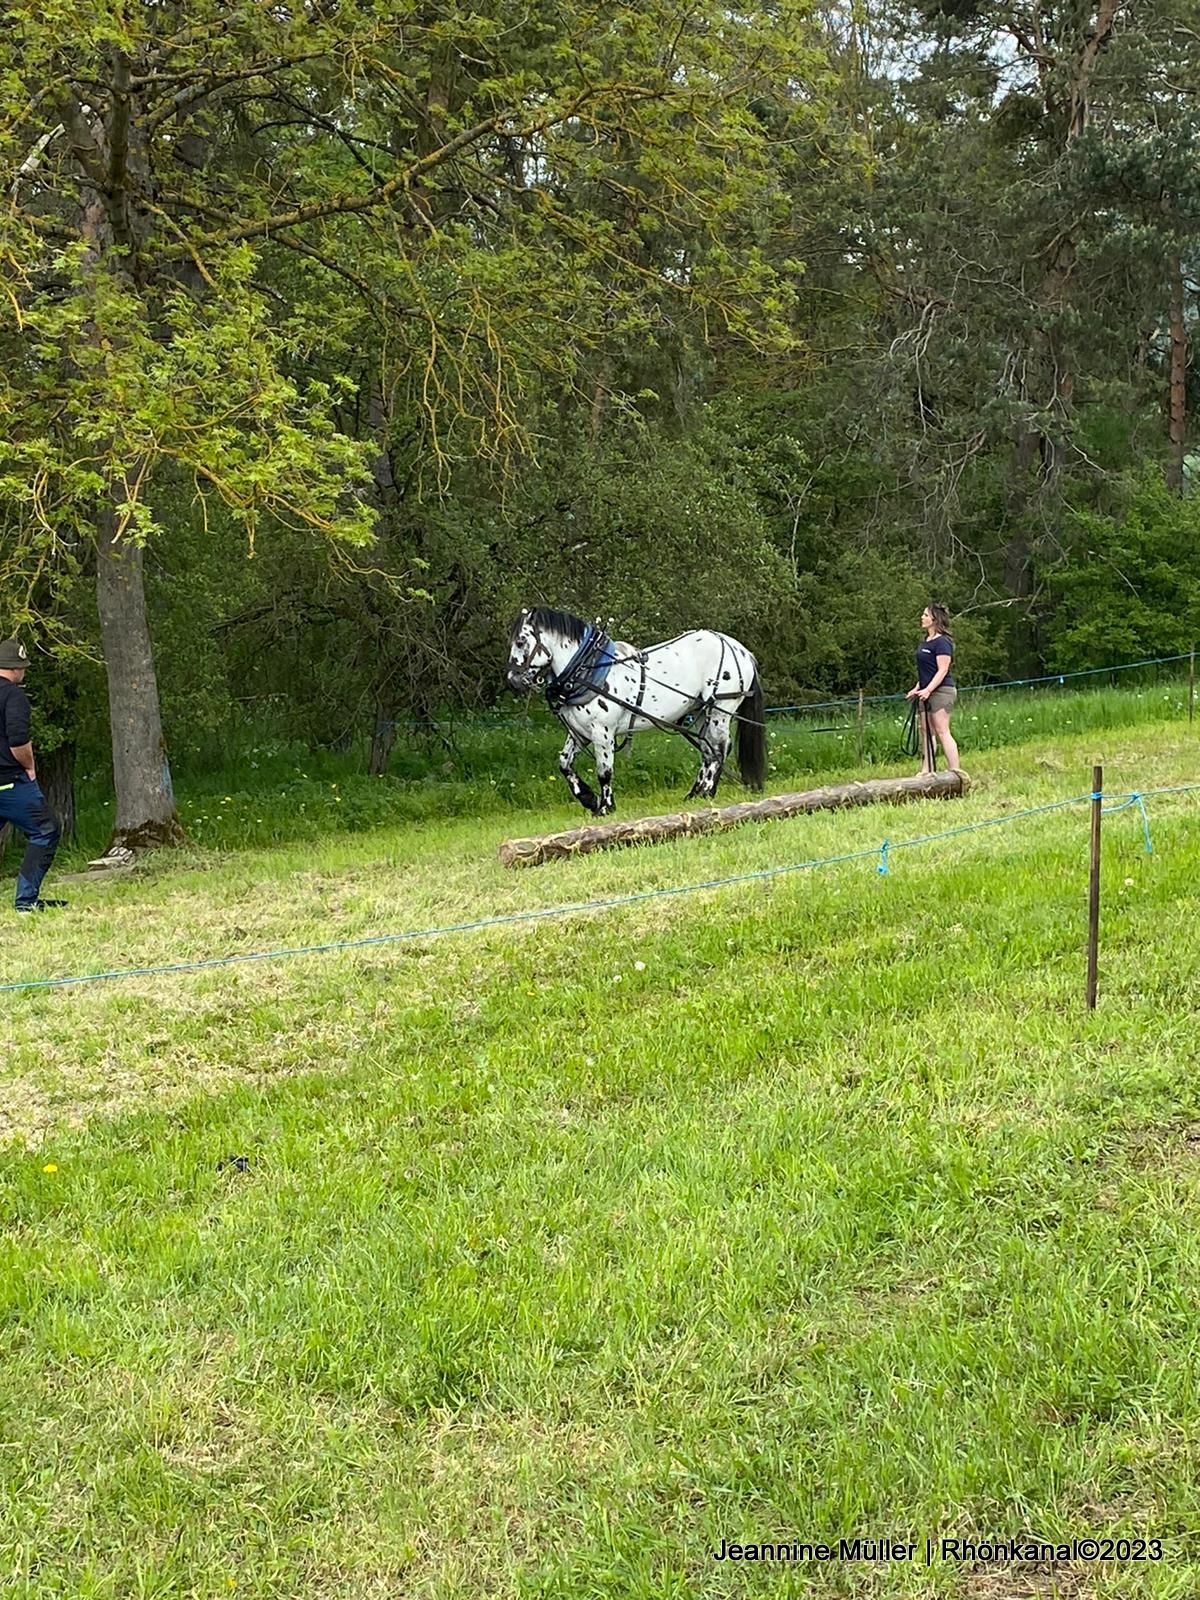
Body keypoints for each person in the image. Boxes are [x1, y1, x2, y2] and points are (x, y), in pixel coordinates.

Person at [0, 639, 65, 913]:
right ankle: (26, 902)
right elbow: (18, 740)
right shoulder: (13, 696)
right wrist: (29, 766)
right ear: (17, 668)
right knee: (45, 830)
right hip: (10, 782)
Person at [906, 604, 959, 773]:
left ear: (935, 619)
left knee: (942, 730)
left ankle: (955, 770)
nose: (922, 618)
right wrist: (918, 688)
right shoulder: (925, 642)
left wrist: (929, 689)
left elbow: (942, 670)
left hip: (942, 691)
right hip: (926, 691)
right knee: (926, 731)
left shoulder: (943, 642)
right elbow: (926, 670)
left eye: (925, 615)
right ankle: (926, 770)